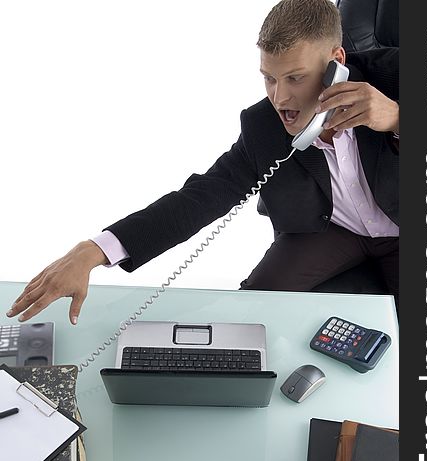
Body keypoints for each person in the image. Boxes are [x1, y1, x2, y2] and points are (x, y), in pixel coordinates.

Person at [6, 0, 399, 326]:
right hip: (332, 231)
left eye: (295, 78)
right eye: (269, 78)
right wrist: (92, 251)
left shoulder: (398, 76)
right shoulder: (263, 126)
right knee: (253, 313)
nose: (280, 98)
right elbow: (200, 197)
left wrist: (398, 118)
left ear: (337, 62)